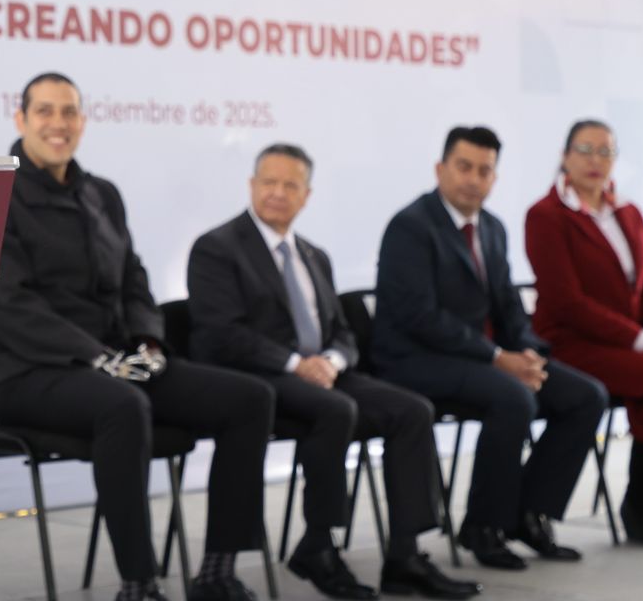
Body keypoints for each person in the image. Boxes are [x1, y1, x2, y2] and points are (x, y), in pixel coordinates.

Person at [0, 72, 274, 601]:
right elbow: (10, 305)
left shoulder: (102, 194)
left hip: (116, 362)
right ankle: (139, 585)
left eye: (69, 111)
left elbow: (134, 279)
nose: (58, 123)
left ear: (82, 121)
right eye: (45, 111)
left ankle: (217, 571)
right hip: (24, 369)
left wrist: (148, 342)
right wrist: (96, 357)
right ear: (20, 119)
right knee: (123, 406)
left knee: (249, 399)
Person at [190, 144, 479, 599]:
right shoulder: (218, 248)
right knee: (335, 409)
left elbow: (342, 331)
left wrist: (332, 361)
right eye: (269, 182)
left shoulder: (314, 255)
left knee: (412, 411)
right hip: (257, 377)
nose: (278, 193)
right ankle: (319, 546)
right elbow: (221, 334)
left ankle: (405, 557)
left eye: (290, 185)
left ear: (306, 196)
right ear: (251, 185)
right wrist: (295, 364)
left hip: (322, 373)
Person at [373, 127, 606, 571]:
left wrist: (530, 353)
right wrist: (498, 358)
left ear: (494, 178)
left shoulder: (492, 228)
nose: (473, 179)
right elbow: (420, 317)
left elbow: (507, 307)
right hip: (414, 359)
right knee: (513, 398)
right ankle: (484, 525)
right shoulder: (411, 227)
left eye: (484, 171)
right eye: (464, 167)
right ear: (440, 169)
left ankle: (529, 513)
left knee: (585, 395)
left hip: (480, 358)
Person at [524, 119, 643, 545]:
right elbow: (567, 302)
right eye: (585, 150)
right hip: (571, 344)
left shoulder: (628, 212)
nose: (595, 160)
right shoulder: (546, 216)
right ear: (565, 156)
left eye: (605, 151)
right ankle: (641, 503)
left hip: (627, 344)